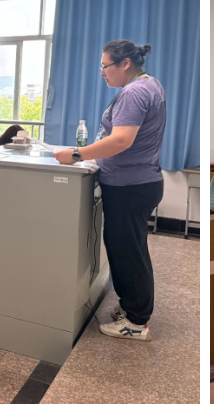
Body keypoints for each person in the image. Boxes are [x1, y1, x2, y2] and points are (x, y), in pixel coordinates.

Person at [52, 40, 169, 342]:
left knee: (128, 253)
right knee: (130, 249)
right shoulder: (149, 84)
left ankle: (136, 321)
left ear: (125, 63)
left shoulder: (133, 92)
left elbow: (121, 140)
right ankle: (132, 308)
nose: (102, 73)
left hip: (130, 186)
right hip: (140, 181)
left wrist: (77, 154)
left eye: (105, 66)